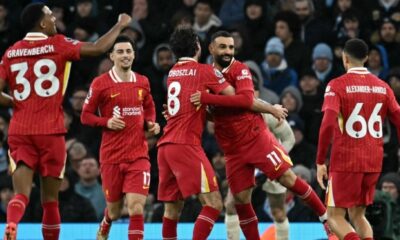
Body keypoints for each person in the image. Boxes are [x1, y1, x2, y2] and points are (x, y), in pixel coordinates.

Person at [0, 3, 131, 240]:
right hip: (51, 131)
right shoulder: (58, 43)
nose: (54, 20)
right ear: (41, 23)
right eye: (50, 16)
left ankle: (10, 224)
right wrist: (120, 24)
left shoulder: (10, 52)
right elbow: (98, 47)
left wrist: (17, 102)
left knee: (21, 195)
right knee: (50, 202)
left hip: (20, 130)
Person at [190, 31, 335, 240]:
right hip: (232, 148)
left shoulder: (240, 69)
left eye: (231, 47)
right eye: (222, 47)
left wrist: (206, 97)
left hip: (256, 138)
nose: (228, 52)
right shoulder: (205, 75)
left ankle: (325, 220)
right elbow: (214, 114)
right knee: (240, 200)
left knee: (288, 178)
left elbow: (245, 101)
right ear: (211, 49)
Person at [157, 26, 287, 240]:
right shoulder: (205, 71)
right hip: (185, 145)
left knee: (172, 210)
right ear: (198, 47)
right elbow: (241, 100)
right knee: (214, 204)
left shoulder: (172, 73)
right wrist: (271, 108)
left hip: (165, 146)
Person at [316, 38, 400, 240]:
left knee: (334, 217)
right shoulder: (383, 87)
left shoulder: (337, 85)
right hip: (373, 161)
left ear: (345, 58)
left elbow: (328, 123)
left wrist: (320, 161)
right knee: (357, 214)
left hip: (346, 161)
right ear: (367, 59)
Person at [81, 35, 159, 240]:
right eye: (120, 52)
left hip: (138, 155)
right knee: (115, 211)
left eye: (128, 51)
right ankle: (106, 222)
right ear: (111, 56)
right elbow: (85, 116)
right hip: (112, 157)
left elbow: (149, 105)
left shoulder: (143, 81)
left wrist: (150, 122)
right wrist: (106, 122)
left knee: (136, 208)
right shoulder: (100, 84)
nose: (125, 55)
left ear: (133, 54)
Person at [224, 112, 295, 240]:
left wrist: (275, 159)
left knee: (278, 212)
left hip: (273, 164)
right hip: (246, 165)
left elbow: (289, 138)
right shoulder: (230, 114)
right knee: (231, 205)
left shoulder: (267, 113)